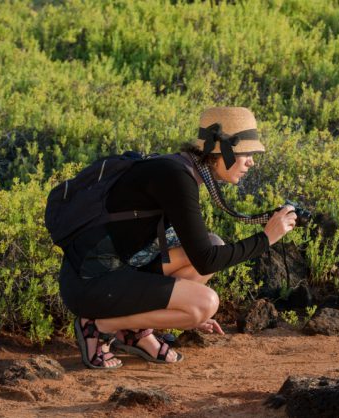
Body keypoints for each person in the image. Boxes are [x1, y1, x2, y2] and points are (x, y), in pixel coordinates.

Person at [57, 107, 297, 368]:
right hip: (90, 284)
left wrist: (170, 314)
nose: (251, 162)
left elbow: (203, 252)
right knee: (204, 305)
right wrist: (266, 239)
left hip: (120, 268)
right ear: (222, 151)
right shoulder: (176, 177)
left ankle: (135, 332)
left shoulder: (180, 168)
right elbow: (206, 261)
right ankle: (97, 325)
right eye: (246, 153)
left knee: (215, 242)